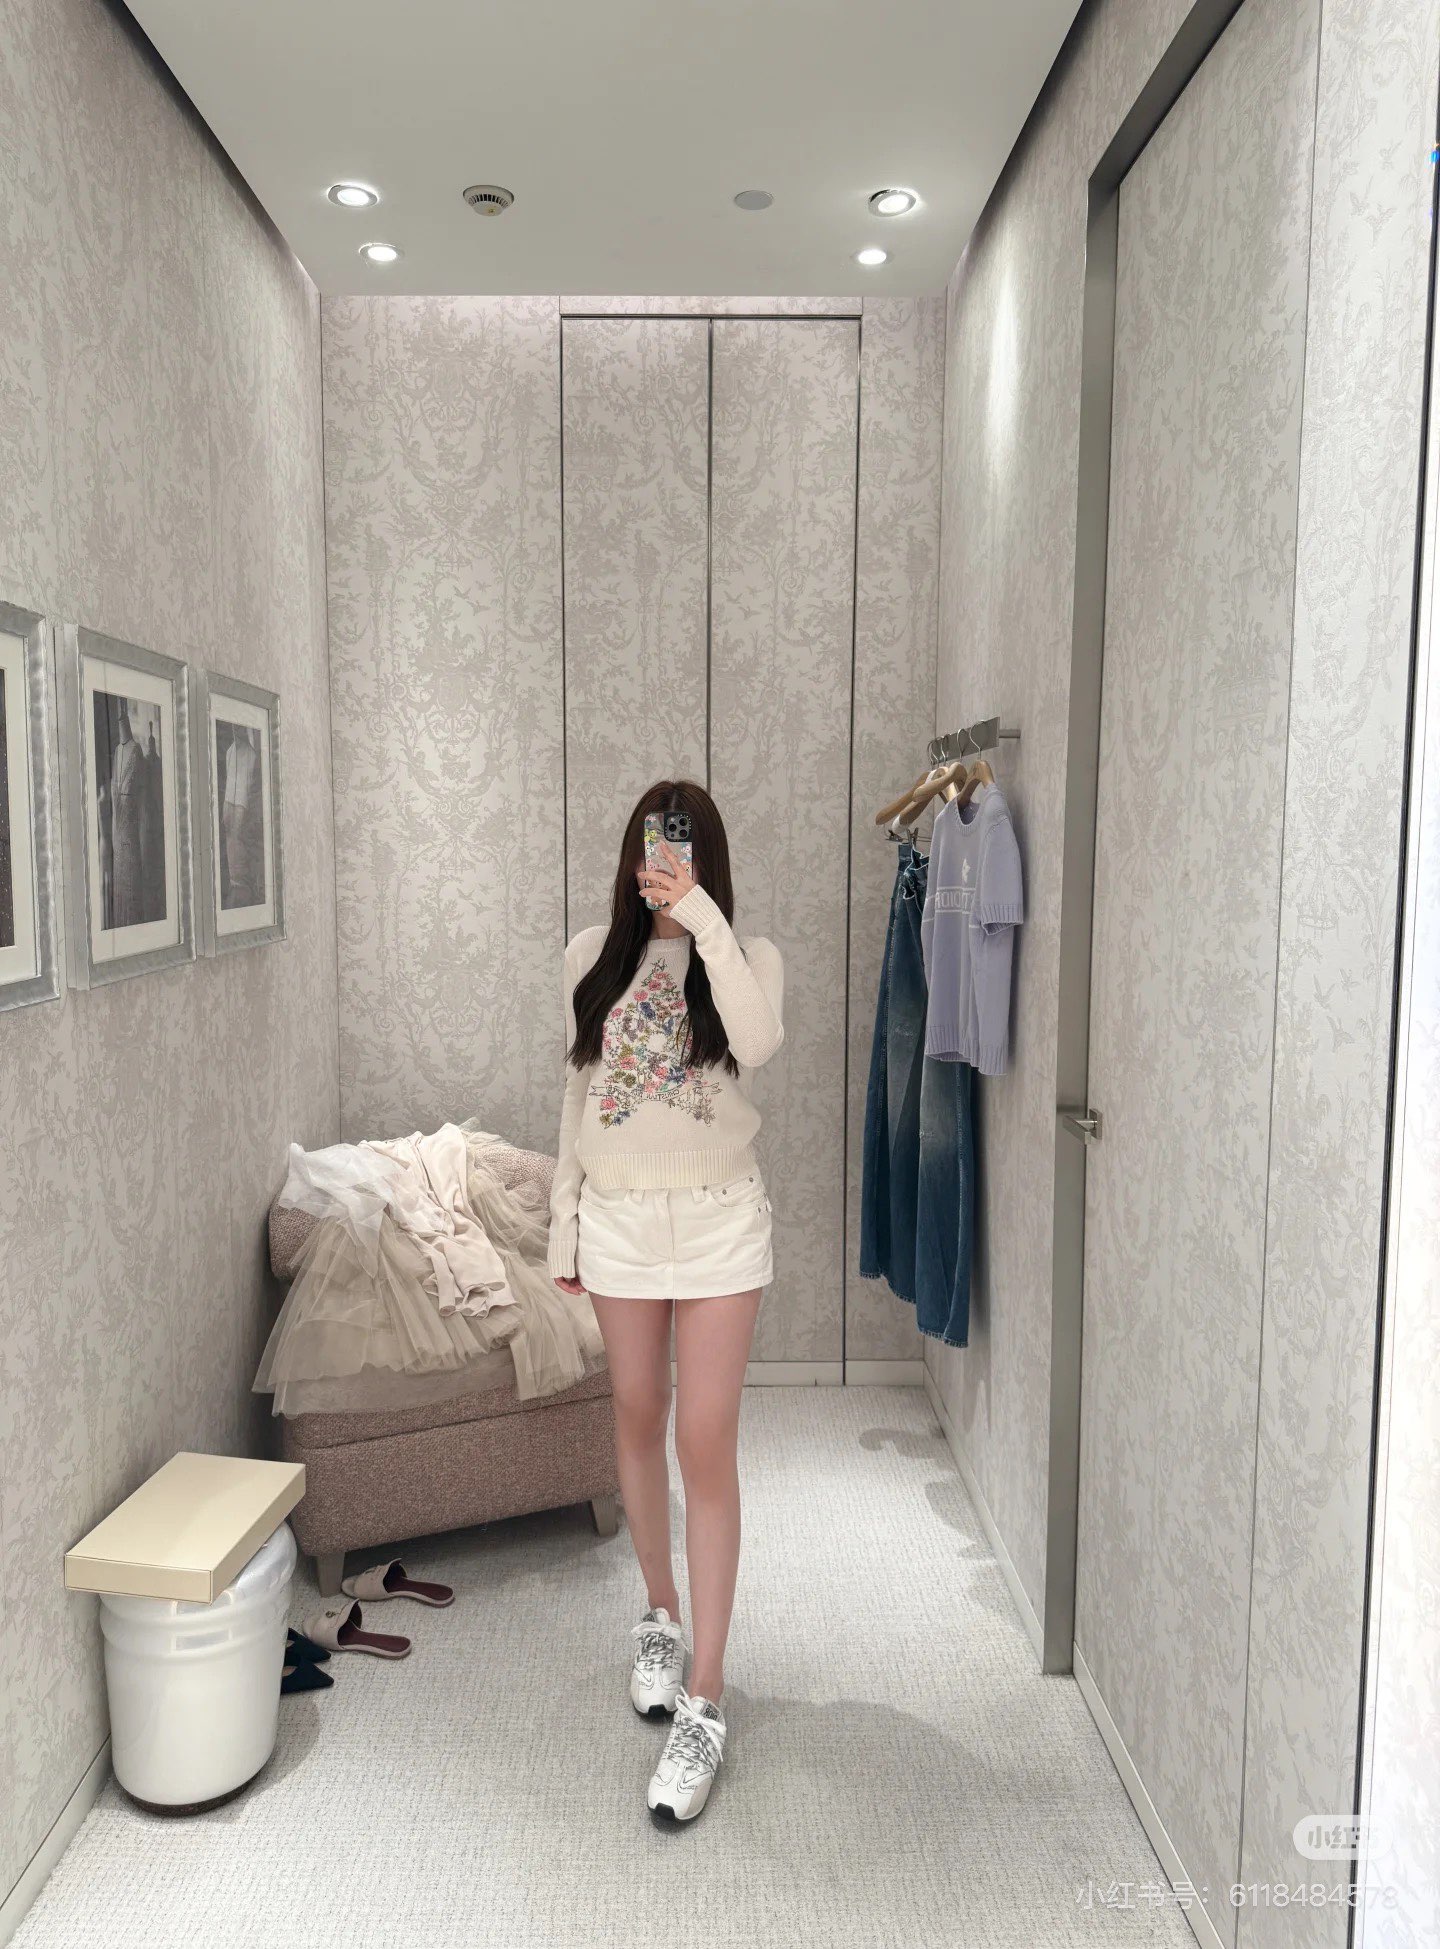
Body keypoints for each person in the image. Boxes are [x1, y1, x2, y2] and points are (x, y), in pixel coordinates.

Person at [549, 780, 784, 1825]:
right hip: (620, 1222)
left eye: (682, 843)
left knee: (705, 1438)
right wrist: (563, 1221)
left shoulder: (747, 955)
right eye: (654, 840)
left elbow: (759, 1044)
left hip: (722, 1219)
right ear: (632, 846)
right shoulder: (589, 956)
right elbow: (576, 1095)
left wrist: (701, 919)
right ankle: (659, 1614)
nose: (665, 855)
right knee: (638, 1413)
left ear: (705, 853)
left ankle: (708, 1693)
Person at [108, 704, 144, 928]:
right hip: (117, 827)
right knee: (120, 877)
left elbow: (141, 797)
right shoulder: (116, 752)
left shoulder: (136, 750)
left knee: (131, 877)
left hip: (131, 826)